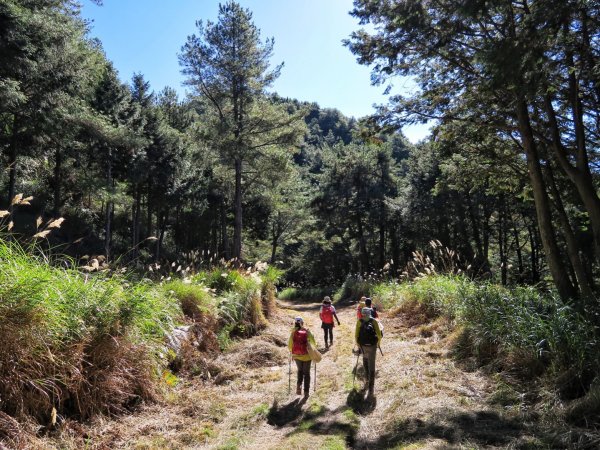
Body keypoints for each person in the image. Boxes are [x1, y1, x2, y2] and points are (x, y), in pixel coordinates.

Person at [355, 307, 383, 397]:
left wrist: (359, 346)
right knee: (372, 364)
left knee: (365, 361)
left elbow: (356, 335)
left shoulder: (359, 321)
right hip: (372, 346)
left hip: (363, 345)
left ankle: (366, 381)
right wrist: (378, 344)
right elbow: (379, 335)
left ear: (362, 313)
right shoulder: (374, 321)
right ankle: (371, 388)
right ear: (369, 313)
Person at [288, 317, 316, 396]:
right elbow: (314, 344)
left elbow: (290, 346)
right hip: (307, 356)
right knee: (306, 373)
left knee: (300, 371)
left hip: (297, 356)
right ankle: (306, 392)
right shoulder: (306, 332)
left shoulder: (293, 333)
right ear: (302, 323)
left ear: (295, 324)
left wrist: (292, 353)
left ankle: (298, 386)